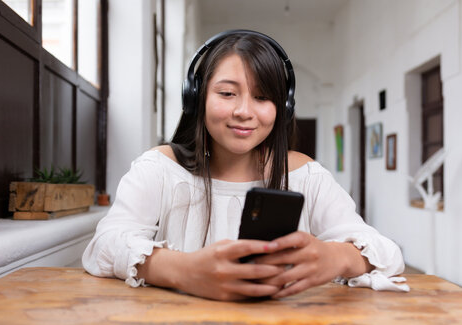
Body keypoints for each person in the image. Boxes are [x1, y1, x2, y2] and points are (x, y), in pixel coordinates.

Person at [83, 30, 409, 301]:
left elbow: (388, 254)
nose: (244, 111)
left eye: (262, 98)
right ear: (196, 98)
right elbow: (104, 246)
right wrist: (185, 270)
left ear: (282, 107)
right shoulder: (158, 169)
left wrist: (337, 257)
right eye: (227, 93)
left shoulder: (305, 175)